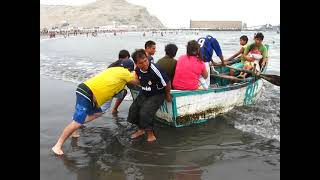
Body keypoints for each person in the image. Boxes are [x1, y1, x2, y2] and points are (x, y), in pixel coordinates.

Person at [51, 58, 138, 155]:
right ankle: (57, 145)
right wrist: (138, 73)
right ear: (129, 68)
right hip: (87, 93)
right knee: (78, 121)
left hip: (87, 91)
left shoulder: (112, 69)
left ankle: (74, 127)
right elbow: (135, 82)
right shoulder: (124, 72)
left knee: (98, 112)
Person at [127, 49, 171, 142]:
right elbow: (139, 81)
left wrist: (167, 94)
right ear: (136, 64)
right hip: (145, 92)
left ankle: (150, 133)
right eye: (141, 63)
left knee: (145, 112)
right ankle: (141, 129)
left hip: (158, 94)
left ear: (147, 58)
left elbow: (167, 82)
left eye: (145, 61)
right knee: (133, 110)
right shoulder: (137, 70)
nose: (144, 64)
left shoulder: (155, 69)